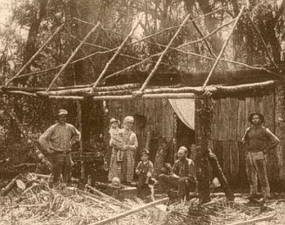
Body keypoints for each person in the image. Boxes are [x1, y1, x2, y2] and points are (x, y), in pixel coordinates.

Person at [242, 112, 280, 202]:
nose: (255, 120)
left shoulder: (265, 130)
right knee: (250, 175)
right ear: (251, 120)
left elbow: (276, 140)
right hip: (250, 154)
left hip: (259, 154)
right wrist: (245, 142)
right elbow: (244, 139)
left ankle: (266, 195)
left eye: (257, 118)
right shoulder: (249, 130)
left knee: (262, 175)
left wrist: (266, 150)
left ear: (260, 120)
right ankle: (253, 193)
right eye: (253, 118)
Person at [39, 109, 80, 185]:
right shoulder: (53, 128)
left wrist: (72, 142)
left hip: (67, 153)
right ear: (58, 118)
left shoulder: (70, 127)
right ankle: (56, 189)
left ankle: (66, 188)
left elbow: (78, 134)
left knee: (68, 171)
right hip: (57, 154)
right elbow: (42, 139)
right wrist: (48, 149)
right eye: (61, 117)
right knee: (56, 173)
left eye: (64, 117)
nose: (63, 119)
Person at [121, 116, 138, 184]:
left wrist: (129, 147)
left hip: (129, 153)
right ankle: (121, 180)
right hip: (121, 152)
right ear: (125, 122)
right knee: (121, 166)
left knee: (129, 166)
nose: (130, 125)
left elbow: (136, 146)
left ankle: (128, 180)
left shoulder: (133, 134)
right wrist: (122, 146)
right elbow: (115, 142)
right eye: (128, 122)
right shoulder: (120, 132)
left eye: (131, 123)